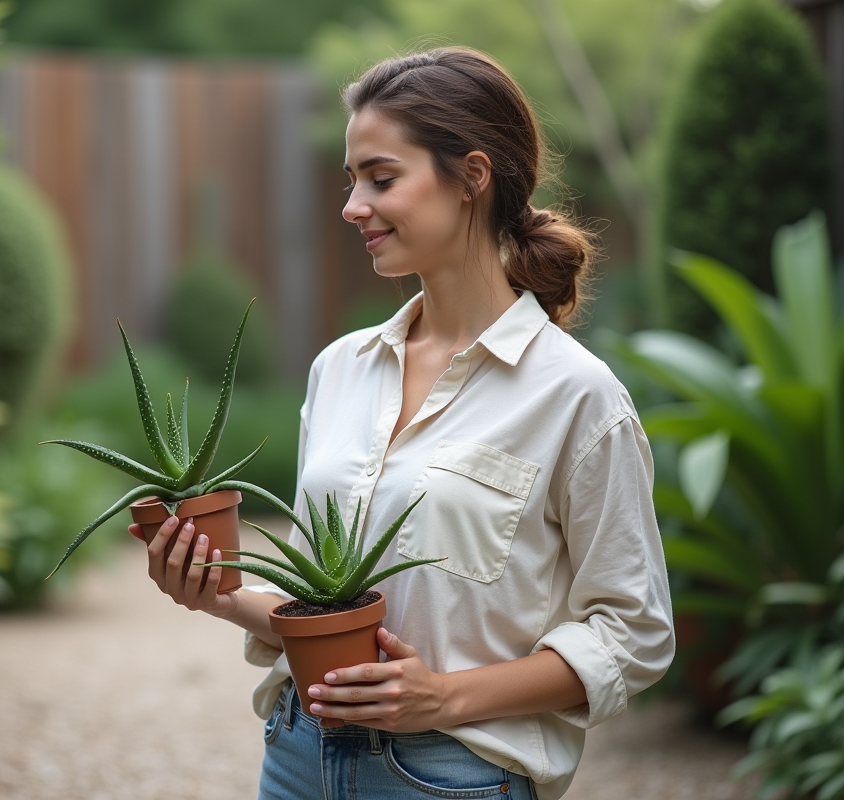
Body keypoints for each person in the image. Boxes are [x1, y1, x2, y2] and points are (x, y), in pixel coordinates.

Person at [129, 46, 675, 800]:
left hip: (451, 775)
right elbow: (322, 604)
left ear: (472, 179)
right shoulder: (341, 369)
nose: (353, 206)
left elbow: (633, 632)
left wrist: (444, 698)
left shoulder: (577, 396)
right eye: (352, 181)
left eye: (381, 179)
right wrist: (216, 592)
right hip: (296, 754)